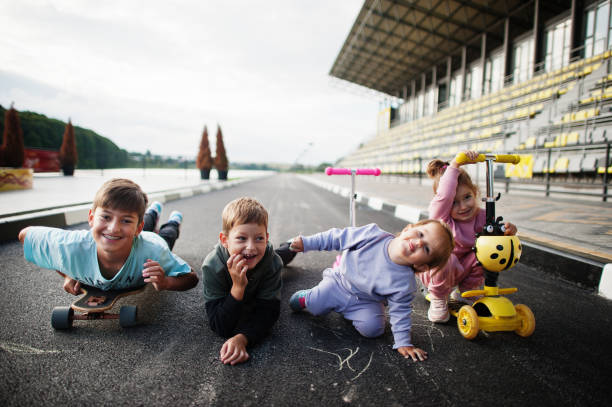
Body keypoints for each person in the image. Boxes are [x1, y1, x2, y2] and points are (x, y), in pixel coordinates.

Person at [287, 220, 454, 362]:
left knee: (373, 329)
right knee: (316, 306)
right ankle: (306, 297)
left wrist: (403, 342)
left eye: (426, 249)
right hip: (339, 282)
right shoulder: (373, 234)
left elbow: (400, 311)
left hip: (367, 301)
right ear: (408, 229)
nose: (418, 243)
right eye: (420, 234)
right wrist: (307, 243)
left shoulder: (405, 283)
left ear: (421, 266)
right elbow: (336, 237)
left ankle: (347, 311)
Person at [19, 178, 198, 294]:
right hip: (134, 234)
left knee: (168, 234)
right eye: (105, 217)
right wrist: (68, 273)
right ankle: (152, 211)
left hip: (151, 239)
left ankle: (173, 219)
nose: (113, 228)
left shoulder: (154, 252)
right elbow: (26, 235)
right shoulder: (73, 245)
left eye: (125, 220)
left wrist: (166, 282)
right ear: (91, 218)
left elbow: (191, 277)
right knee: (133, 225)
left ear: (138, 228)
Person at [420, 150, 517, 323]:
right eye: (454, 202)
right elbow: (444, 196)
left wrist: (508, 230)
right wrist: (455, 165)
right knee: (447, 258)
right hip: (437, 271)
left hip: (463, 270)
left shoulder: (481, 216)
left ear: (475, 192)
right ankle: (438, 299)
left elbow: (494, 235)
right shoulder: (442, 218)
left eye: (467, 197)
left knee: (484, 252)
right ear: (445, 203)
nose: (463, 206)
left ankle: (465, 293)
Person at [202, 197, 283, 366]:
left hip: (270, 261)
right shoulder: (212, 266)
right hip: (239, 280)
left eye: (259, 238)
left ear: (267, 238)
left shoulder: (272, 263)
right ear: (225, 240)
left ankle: (289, 248)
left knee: (281, 256)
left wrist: (243, 338)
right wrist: (238, 288)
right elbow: (220, 325)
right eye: (241, 238)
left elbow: (268, 313)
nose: (251, 246)